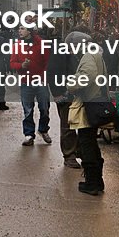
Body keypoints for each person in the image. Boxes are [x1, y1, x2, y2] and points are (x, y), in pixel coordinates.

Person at [64, 31, 107, 196]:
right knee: (91, 143)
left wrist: (71, 84)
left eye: (71, 47)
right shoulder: (96, 53)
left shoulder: (88, 55)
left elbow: (88, 75)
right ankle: (97, 180)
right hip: (95, 100)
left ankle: (92, 183)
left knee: (87, 143)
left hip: (88, 103)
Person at [47, 28, 82, 169]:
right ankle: (69, 155)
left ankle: (77, 150)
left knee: (76, 123)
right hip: (65, 94)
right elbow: (52, 72)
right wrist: (58, 94)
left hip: (74, 92)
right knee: (67, 124)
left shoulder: (75, 53)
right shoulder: (60, 52)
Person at [11, 26, 52, 146]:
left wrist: (44, 77)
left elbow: (47, 62)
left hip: (40, 81)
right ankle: (29, 134)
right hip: (26, 81)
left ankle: (43, 129)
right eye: (19, 28)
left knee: (44, 108)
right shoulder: (17, 45)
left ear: (29, 31)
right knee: (27, 109)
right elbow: (12, 63)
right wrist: (21, 66)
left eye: (22, 28)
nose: (19, 31)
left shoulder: (41, 44)